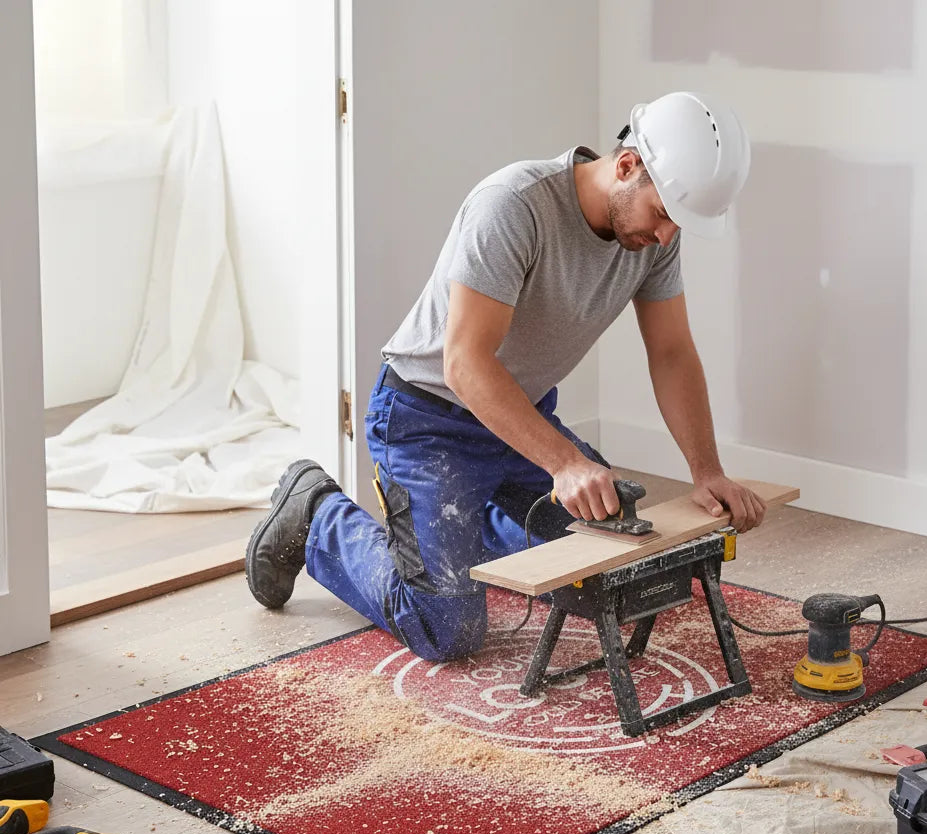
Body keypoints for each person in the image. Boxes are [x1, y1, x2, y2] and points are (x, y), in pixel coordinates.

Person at [245, 91, 765, 662]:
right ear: (626, 166)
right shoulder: (513, 206)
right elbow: (464, 364)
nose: (667, 235)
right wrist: (565, 463)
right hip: (426, 423)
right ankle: (316, 511)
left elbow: (671, 351)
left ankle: (476, 522)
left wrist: (707, 470)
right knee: (448, 630)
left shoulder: (655, 235)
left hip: (520, 419)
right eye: (663, 214)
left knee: (623, 578)